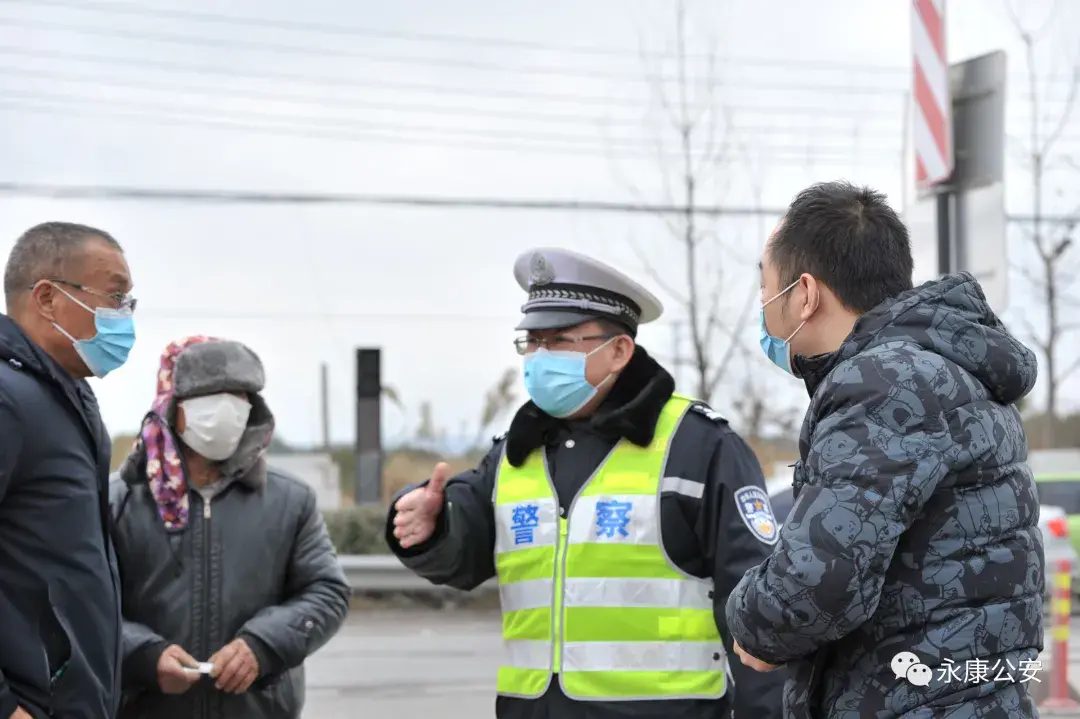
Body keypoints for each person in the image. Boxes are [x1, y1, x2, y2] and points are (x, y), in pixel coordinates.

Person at [387, 247, 786, 719]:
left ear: (618, 350)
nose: (539, 357)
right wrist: (432, 526)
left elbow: (762, 608)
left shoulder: (699, 447)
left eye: (558, 340)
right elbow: (463, 549)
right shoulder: (515, 453)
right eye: (531, 342)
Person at [726, 181, 1043, 718]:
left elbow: (816, 583)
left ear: (805, 293)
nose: (761, 305)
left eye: (765, 286)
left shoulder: (884, 381)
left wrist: (749, 621)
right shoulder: (937, 366)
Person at [108, 336, 350, 719]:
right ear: (173, 407)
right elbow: (83, 603)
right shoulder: (117, 501)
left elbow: (327, 592)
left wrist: (263, 645)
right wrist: (142, 655)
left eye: (238, 396)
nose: (224, 410)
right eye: (208, 396)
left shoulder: (290, 500)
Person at [0, 222, 135, 719]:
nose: (124, 317)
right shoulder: (8, 400)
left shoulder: (66, 397)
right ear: (47, 298)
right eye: (114, 297)